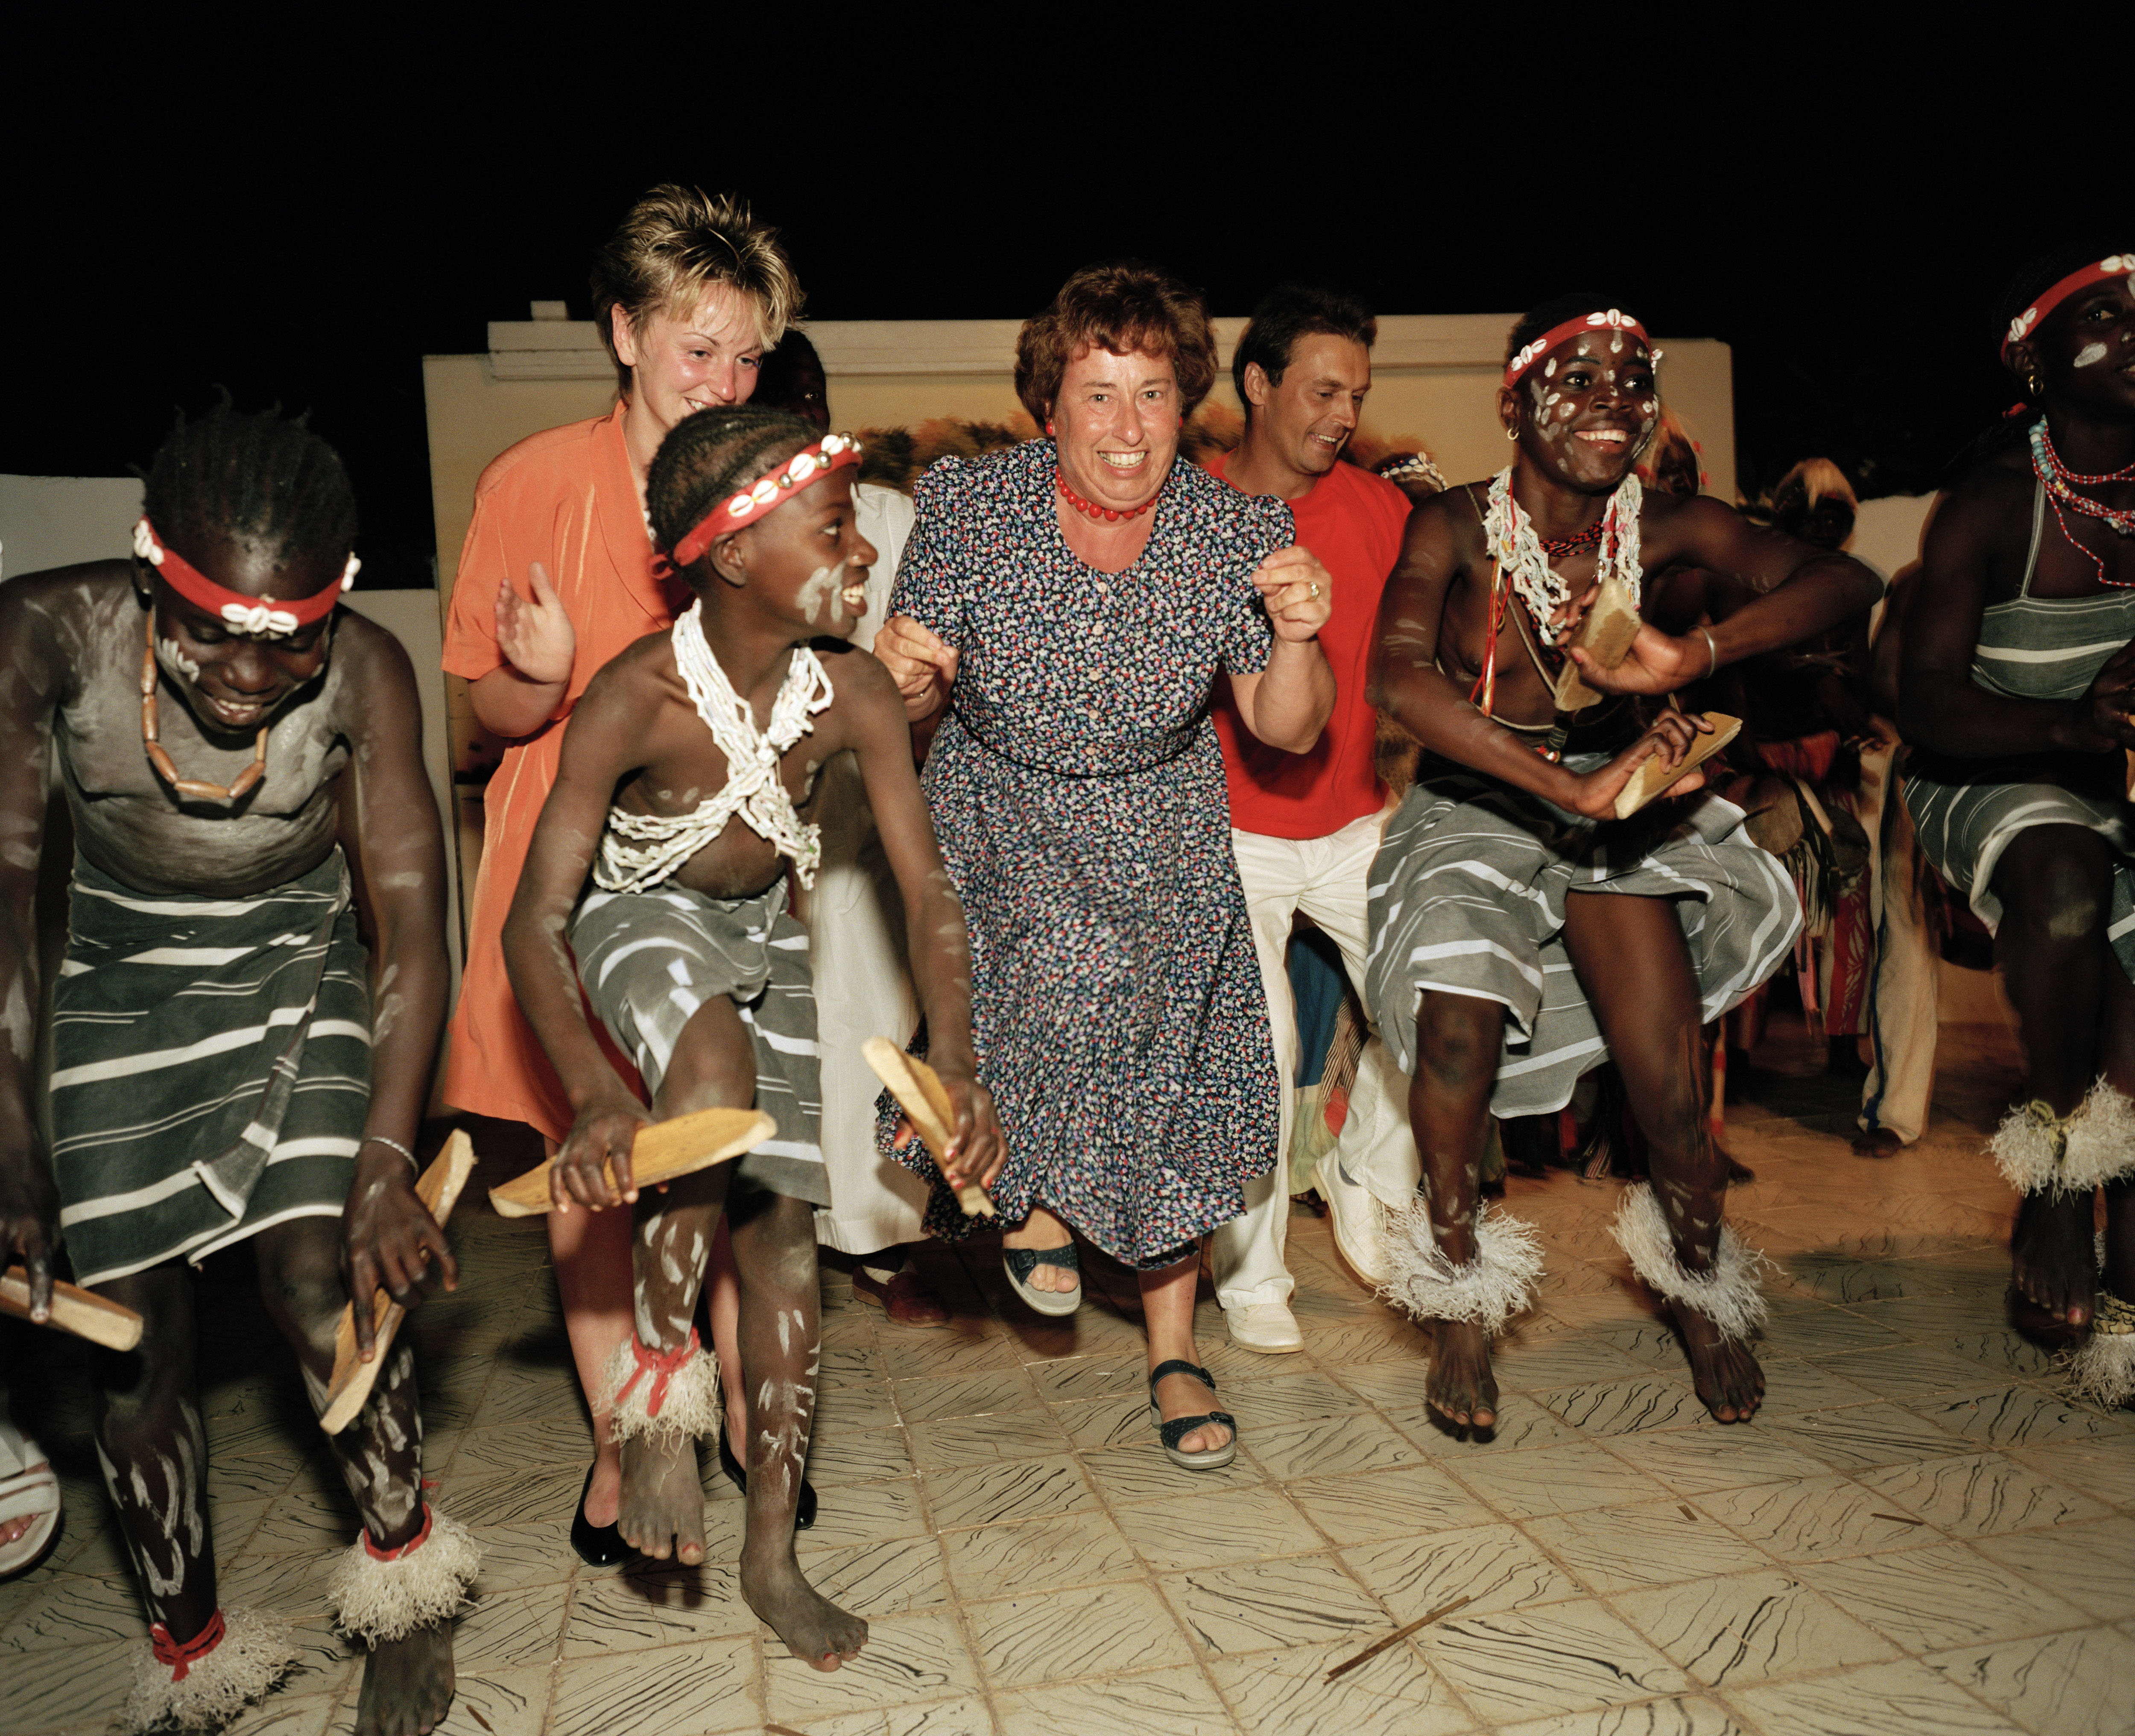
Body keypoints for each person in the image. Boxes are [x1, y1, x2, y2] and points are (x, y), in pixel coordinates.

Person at [501, 406, 1002, 1666]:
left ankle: (773, 1556)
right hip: (633, 917)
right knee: (713, 1068)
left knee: (783, 1239)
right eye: (832, 530)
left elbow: (927, 892)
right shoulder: (636, 696)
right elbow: (532, 924)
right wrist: (594, 1093)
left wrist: (957, 1062)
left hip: (760, 936)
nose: (862, 551)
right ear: (732, 555)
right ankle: (655, 1411)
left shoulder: (853, 693)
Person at [0, 404, 468, 1735]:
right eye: (213, 633)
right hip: (118, 979)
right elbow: (6, 894)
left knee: (324, 1283)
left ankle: (409, 1591)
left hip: (297, 955)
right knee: (129, 1340)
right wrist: (12, 1144)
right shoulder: (45, 633)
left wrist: (388, 1160)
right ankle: (189, 1645)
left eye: (291, 640)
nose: (252, 676)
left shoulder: (368, 668)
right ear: (151, 570)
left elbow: (409, 919)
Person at [1365, 296, 1882, 1429]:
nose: (1614, 403)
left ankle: (1697, 1280)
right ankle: (1459, 1293)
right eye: (1580, 379)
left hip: (1619, 811)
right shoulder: (1453, 524)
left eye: (1634, 381)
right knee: (1457, 1031)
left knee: (1668, 1082)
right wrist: (1561, 788)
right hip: (1478, 800)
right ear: (1513, 404)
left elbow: (1847, 585)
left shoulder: (1663, 525)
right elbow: (1394, 675)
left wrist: (1693, 654)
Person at [873, 262, 1334, 1470]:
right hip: (1002, 817)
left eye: (1154, 393)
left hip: (1163, 823)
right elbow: (909, 710)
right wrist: (905, 682)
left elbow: (1286, 728)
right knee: (1059, 978)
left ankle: (1175, 1350)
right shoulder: (969, 505)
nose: (1128, 426)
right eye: (1099, 393)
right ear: (1051, 402)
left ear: (1187, 402)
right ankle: (1025, 1191)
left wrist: (1298, 637)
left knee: (1166, 1079)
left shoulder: (1237, 529)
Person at [440, 185, 801, 1556]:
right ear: (624, 333)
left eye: (747, 357)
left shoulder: (768, 476)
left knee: (728, 1149)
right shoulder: (530, 482)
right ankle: (631, 1443)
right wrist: (533, 682)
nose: (724, 383)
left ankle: (746, 1421)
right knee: (595, 1163)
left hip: (725, 854)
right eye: (698, 349)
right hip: (569, 860)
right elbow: (478, 723)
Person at [1897, 244, 2135, 1404]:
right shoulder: (1994, 501)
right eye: (2105, 317)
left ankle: (2125, 1285)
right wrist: (2070, 727)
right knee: (2067, 878)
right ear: (2036, 363)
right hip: (1986, 767)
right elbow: (1924, 703)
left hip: (2116, 777)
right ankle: (2051, 1173)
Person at [1201, 285, 1423, 1351]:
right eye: (1323, 390)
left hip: (1352, 823)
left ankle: (1365, 1170)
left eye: (1357, 396)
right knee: (1262, 1042)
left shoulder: (1383, 512)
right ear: (1258, 383)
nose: (1343, 414)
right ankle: (1252, 1276)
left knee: (1436, 1002)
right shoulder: (1189, 505)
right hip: (1227, 829)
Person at [753, 333, 948, 1324]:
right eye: (782, 401)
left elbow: (926, 674)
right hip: (766, 797)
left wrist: (917, 693)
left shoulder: (888, 518)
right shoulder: (740, 528)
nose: (805, 417)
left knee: (877, 1009)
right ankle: (804, 1227)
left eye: (814, 398)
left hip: (874, 791)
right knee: (804, 1019)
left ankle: (879, 1234)